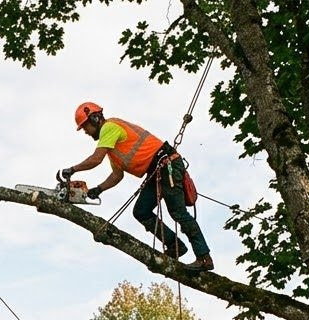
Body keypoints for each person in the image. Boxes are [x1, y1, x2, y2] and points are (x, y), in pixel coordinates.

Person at [61, 102, 214, 271]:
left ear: (95, 118)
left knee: (178, 212)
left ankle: (204, 257)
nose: (86, 132)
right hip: (156, 172)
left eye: (85, 127)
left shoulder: (110, 127)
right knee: (141, 211)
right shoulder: (112, 146)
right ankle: (175, 245)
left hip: (167, 164)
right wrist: (99, 189)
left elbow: (96, 159)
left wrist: (73, 169)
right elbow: (116, 175)